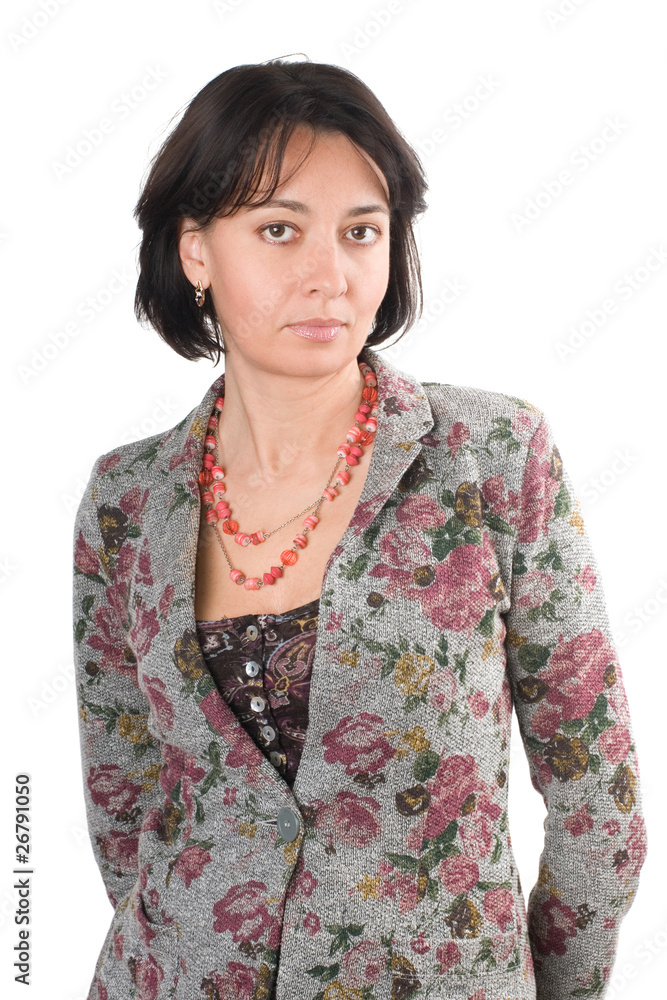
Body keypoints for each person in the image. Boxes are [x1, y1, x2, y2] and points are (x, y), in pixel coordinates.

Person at [72, 58, 646, 1000]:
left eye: (361, 231)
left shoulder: (493, 455)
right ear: (195, 252)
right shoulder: (125, 499)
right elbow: (123, 802)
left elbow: (597, 803)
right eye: (279, 229)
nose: (330, 276)